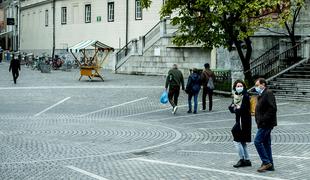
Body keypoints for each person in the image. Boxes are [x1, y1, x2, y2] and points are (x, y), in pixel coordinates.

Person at [254, 78, 277, 172]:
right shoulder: (262, 94)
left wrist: (263, 119)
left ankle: (266, 162)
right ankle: (270, 164)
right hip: (263, 123)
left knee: (257, 141)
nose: (256, 87)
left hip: (266, 123)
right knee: (266, 143)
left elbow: (272, 108)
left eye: (257, 85)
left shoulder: (268, 93)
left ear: (263, 84)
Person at [229, 80, 252, 168]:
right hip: (239, 120)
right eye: (237, 86)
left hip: (244, 121)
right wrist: (234, 108)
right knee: (242, 141)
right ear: (235, 87)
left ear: (243, 86)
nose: (239, 87)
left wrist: (236, 108)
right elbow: (231, 107)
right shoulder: (236, 96)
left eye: (240, 86)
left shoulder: (245, 96)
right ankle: (247, 159)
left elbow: (244, 109)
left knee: (237, 140)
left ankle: (242, 159)